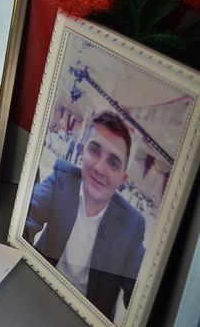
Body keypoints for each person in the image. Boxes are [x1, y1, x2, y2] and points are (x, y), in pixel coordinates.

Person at [25, 111, 145, 321]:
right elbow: (28, 215)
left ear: (123, 179)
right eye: (95, 151)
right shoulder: (62, 179)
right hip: (39, 294)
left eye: (113, 163)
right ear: (82, 151)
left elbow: (141, 289)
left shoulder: (131, 224)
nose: (99, 168)